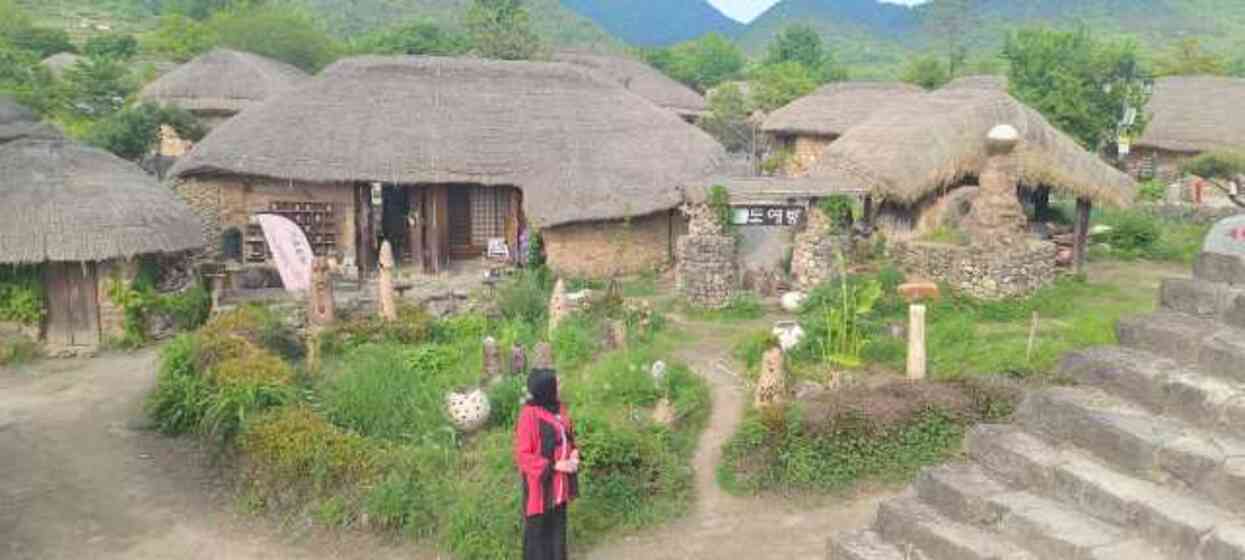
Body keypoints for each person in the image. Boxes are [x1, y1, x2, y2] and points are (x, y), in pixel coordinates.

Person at [514, 368, 579, 560]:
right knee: (539, 533)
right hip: (540, 488)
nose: (561, 386)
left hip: (561, 486)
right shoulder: (529, 415)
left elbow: (568, 435)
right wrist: (556, 466)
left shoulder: (559, 408)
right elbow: (523, 455)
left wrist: (574, 453)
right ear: (546, 389)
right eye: (557, 384)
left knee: (558, 529)